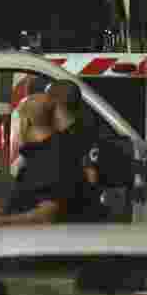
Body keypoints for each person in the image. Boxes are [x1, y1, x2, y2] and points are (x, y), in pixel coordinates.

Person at [0, 94, 76, 226]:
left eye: (18, 121)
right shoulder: (49, 153)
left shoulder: (48, 159)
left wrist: (2, 221)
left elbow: (46, 215)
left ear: (27, 122)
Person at [46, 80, 108, 222]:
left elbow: (91, 178)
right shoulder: (89, 134)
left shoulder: (64, 140)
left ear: (55, 103)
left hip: (71, 220)